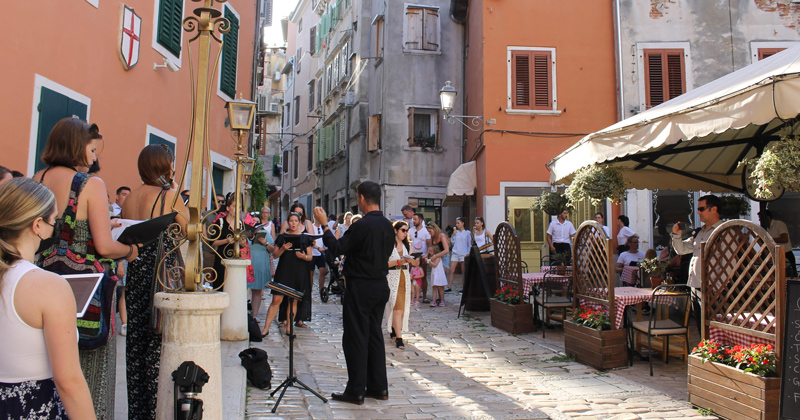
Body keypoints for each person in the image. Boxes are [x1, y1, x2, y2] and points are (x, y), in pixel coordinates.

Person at [34, 119, 139, 420]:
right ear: (76, 146)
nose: (94, 158)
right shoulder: (90, 184)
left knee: (50, 366)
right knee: (90, 373)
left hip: (42, 282)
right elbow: (105, 247)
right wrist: (131, 250)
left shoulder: (37, 178)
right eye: (92, 149)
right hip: (85, 292)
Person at [0, 178, 96, 419]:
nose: (55, 228)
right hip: (31, 406)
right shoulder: (48, 286)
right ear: (38, 225)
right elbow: (69, 382)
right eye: (54, 220)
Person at [119, 144, 188, 420]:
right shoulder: (169, 196)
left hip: (137, 271)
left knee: (136, 342)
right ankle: (159, 410)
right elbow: (189, 230)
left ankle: (138, 411)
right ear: (165, 165)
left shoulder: (130, 197)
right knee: (159, 342)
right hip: (162, 273)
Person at [313, 181, 395, 404]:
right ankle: (379, 387)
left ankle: (356, 390)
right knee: (374, 336)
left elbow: (338, 248)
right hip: (380, 284)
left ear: (361, 198)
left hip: (361, 285)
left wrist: (325, 226)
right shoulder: (388, 225)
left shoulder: (362, 225)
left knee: (355, 337)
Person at [260, 212, 313, 337]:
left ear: (299, 222)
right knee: (276, 299)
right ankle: (266, 328)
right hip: (284, 271)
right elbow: (275, 254)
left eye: (296, 221)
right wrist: (283, 248)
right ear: (288, 222)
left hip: (298, 272)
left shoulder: (305, 238)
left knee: (293, 301)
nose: (293, 223)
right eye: (291, 221)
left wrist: (303, 256)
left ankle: (290, 328)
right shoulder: (282, 237)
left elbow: (310, 256)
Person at [671, 195, 723, 290]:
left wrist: (718, 288)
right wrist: (676, 235)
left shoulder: (724, 231)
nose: (698, 212)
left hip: (711, 289)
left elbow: (729, 263)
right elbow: (681, 250)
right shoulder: (699, 232)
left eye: (702, 209)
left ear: (714, 209)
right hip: (695, 286)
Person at [384, 221, 419, 350]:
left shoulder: (407, 245)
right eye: (403, 230)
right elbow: (384, 264)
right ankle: (399, 338)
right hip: (392, 278)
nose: (405, 233)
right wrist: (399, 261)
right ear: (395, 231)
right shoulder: (389, 245)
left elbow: (416, 263)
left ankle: (394, 328)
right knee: (396, 307)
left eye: (406, 230)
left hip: (404, 278)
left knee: (401, 309)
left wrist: (411, 260)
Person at [250, 206, 275, 321]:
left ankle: (254, 315)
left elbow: (273, 249)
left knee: (257, 291)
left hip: (260, 264)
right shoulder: (246, 234)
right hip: (249, 264)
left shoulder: (265, 233)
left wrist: (265, 243)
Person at [758, 210, 797, 277]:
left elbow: (785, 239)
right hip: (773, 253)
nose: (760, 221)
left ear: (768, 217)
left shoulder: (779, 224)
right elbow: (760, 240)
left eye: (761, 219)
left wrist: (769, 240)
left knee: (791, 274)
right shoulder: (765, 228)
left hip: (785, 252)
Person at [309, 215, 329, 310]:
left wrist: (325, 248)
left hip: (321, 253)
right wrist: (317, 248)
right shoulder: (311, 227)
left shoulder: (322, 228)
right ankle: (310, 292)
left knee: (322, 271)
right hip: (313, 253)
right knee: (311, 273)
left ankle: (321, 290)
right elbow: (310, 241)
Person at [410, 213, 431, 302]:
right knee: (411, 275)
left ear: (420, 220)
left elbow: (429, 245)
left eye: (415, 219)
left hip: (422, 256)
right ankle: (412, 295)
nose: (413, 221)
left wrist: (427, 255)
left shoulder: (426, 231)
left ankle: (424, 295)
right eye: (413, 219)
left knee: (423, 276)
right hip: (412, 256)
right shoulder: (410, 230)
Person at [448, 217, 471, 291]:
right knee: (451, 270)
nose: (457, 225)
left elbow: (469, 244)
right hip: (455, 252)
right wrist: (453, 235)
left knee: (463, 271)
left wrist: (468, 252)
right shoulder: (456, 232)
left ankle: (463, 287)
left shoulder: (467, 233)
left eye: (458, 223)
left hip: (463, 253)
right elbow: (452, 242)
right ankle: (449, 286)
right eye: (456, 223)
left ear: (462, 223)